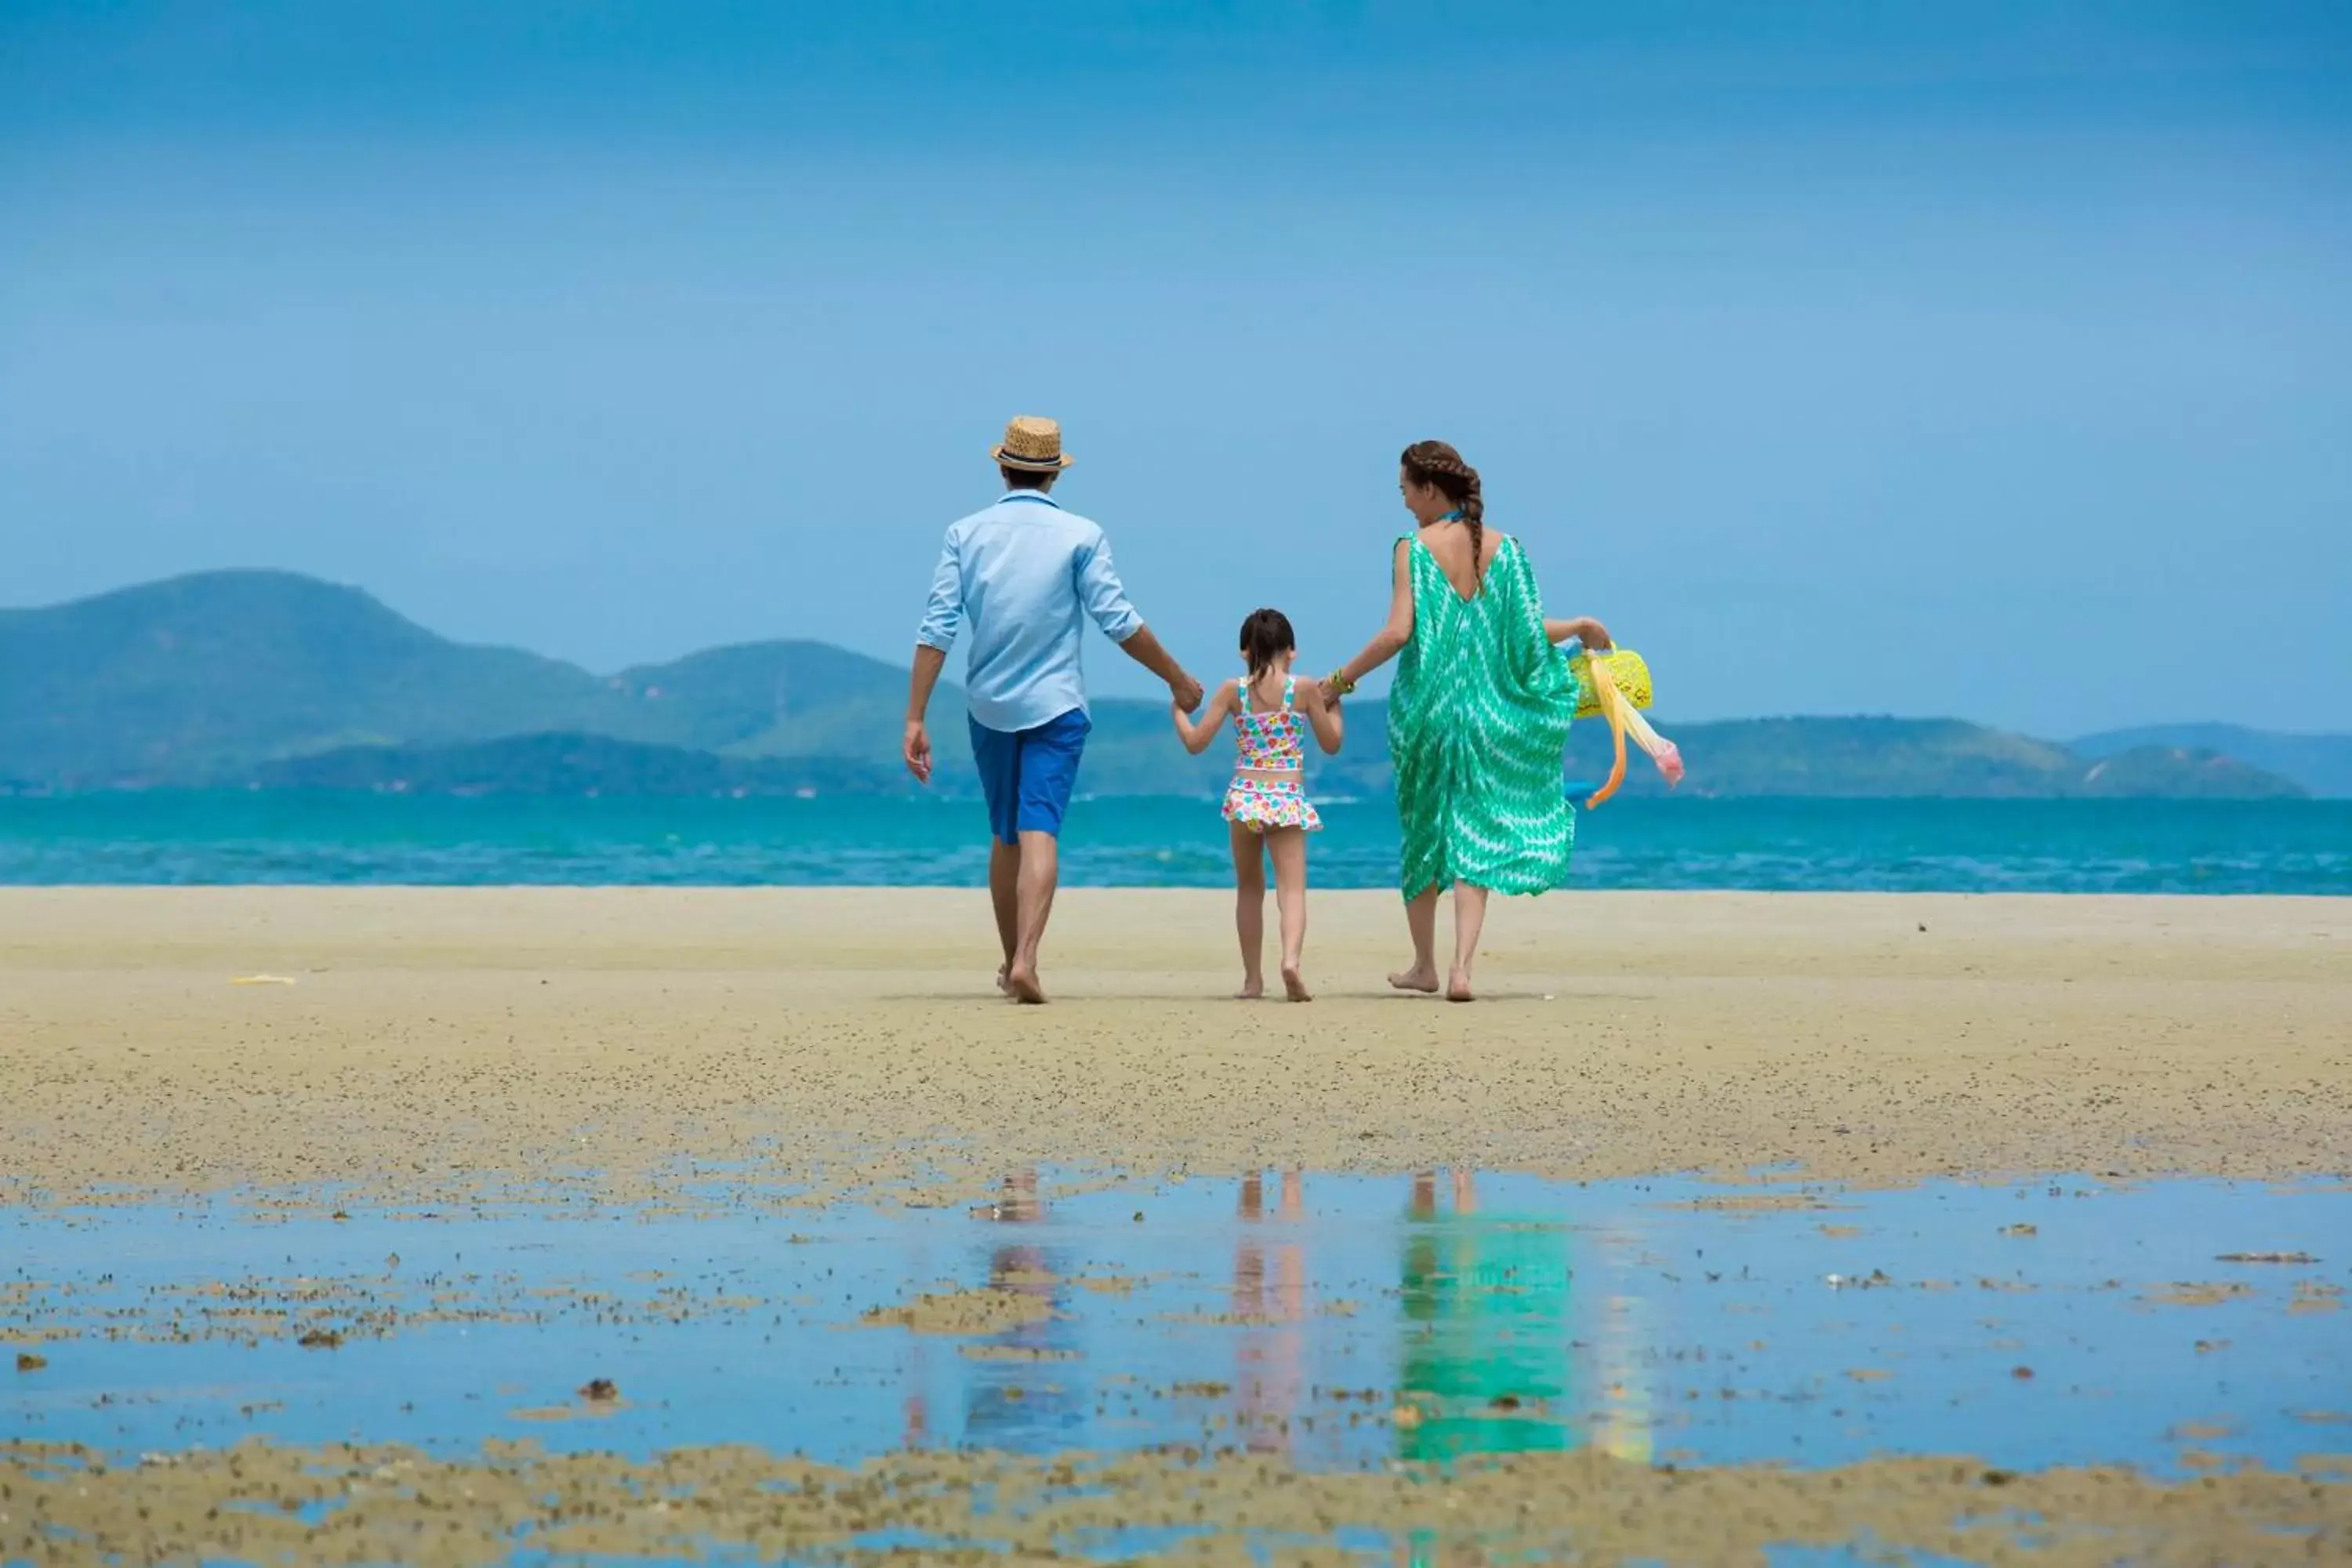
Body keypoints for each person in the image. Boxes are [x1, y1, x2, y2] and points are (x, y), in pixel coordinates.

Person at [906, 416, 1204, 1004]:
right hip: (1057, 704)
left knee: (1004, 834)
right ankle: (1027, 960)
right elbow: (1118, 621)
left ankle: (1009, 959)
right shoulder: (1082, 535)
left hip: (988, 704)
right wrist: (1178, 679)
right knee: (1040, 826)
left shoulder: (965, 533)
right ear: (1053, 476)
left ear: (1001, 465)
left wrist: (915, 716)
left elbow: (937, 628)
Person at [1320, 439, 1612, 1002]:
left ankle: (1424, 965)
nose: (1404, 502)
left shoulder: (1412, 548)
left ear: (1430, 488)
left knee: (1426, 828)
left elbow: (1397, 633)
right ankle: (1461, 969)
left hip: (1428, 712)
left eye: (1406, 488)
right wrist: (1577, 624)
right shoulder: (1507, 549)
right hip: (1489, 715)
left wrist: (1337, 682)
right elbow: (1525, 634)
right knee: (1475, 835)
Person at [1172, 609, 1343, 1000]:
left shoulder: (1233, 691)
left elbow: (1196, 743)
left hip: (1246, 796)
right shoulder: (1302, 689)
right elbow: (1331, 743)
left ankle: (1252, 980)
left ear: (1244, 651)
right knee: (1292, 888)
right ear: (1292, 651)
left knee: (1250, 889)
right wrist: (1335, 706)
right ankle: (1291, 962)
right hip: (1285, 795)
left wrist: (1178, 714)